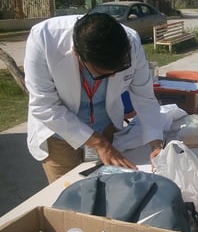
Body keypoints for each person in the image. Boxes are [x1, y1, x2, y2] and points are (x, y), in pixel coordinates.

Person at [24, 13, 164, 183]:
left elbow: (145, 96)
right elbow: (44, 105)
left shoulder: (131, 42)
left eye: (117, 71)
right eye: (102, 75)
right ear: (77, 54)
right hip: (59, 132)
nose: (113, 78)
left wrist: (156, 143)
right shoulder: (44, 38)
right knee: (68, 193)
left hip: (106, 127)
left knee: (110, 187)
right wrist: (99, 143)